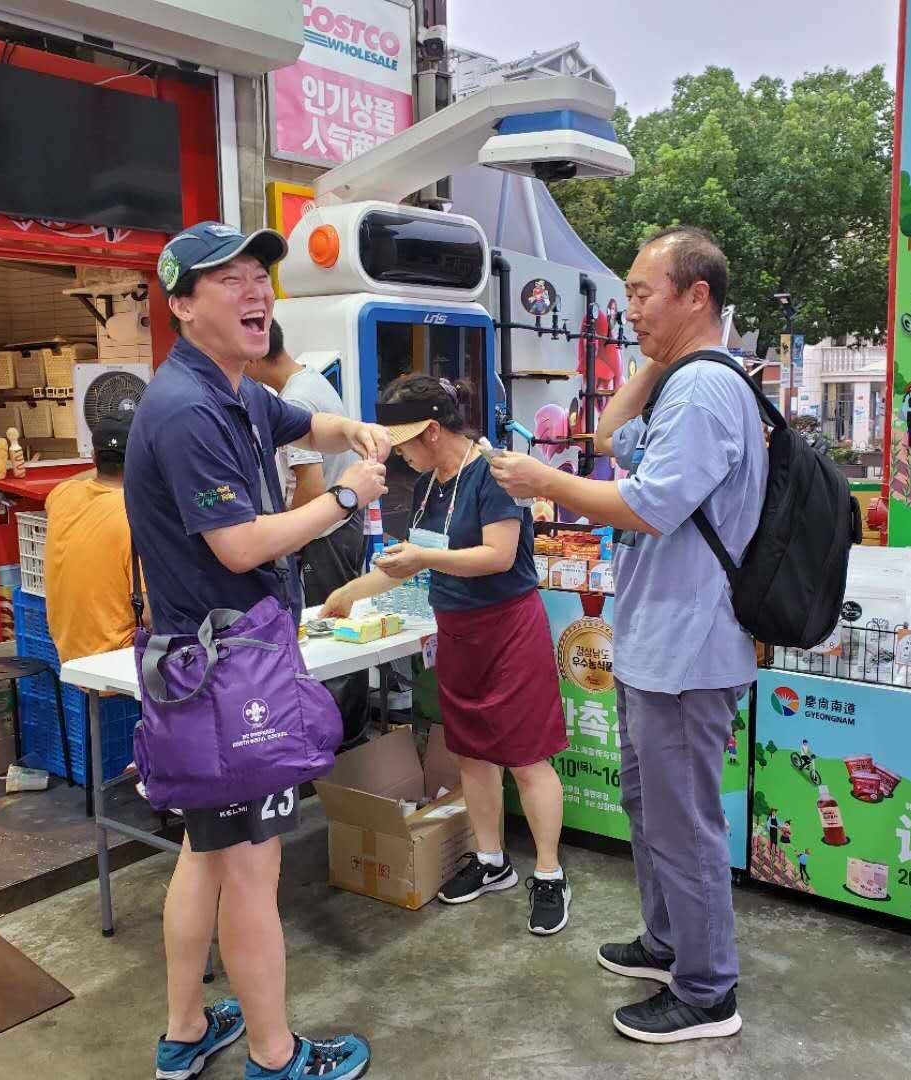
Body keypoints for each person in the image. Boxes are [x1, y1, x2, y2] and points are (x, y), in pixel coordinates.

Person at [126, 221, 390, 1080]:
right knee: (251, 870)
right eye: (228, 279)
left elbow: (301, 419)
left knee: (207, 856)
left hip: (204, 666)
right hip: (227, 676)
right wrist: (348, 498)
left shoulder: (233, 388)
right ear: (179, 304)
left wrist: (351, 429)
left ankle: (184, 1028)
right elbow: (240, 546)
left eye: (258, 276)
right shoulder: (188, 409)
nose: (255, 292)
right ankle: (276, 1059)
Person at [492, 226, 761, 1044]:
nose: (629, 306)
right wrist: (663, 347)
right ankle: (668, 943)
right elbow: (611, 437)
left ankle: (708, 993)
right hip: (659, 644)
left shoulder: (707, 393)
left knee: (684, 825)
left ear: (697, 295)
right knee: (652, 811)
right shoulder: (686, 381)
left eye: (645, 293)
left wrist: (545, 481)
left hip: (688, 648)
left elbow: (644, 504)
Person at [319, 374, 572, 936]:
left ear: (432, 431)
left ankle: (550, 874)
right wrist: (343, 597)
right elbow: (408, 561)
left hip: (509, 631)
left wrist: (425, 564)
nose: (400, 452)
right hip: (457, 634)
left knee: (528, 760)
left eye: (404, 441)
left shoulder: (494, 474)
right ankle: (490, 862)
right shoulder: (433, 485)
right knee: (473, 756)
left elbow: (499, 556)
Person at [247, 323, 369, 747]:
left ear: (257, 357)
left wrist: (285, 538)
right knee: (344, 630)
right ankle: (349, 733)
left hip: (324, 534)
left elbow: (311, 486)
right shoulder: (313, 378)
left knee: (327, 637)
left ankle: (334, 741)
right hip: (345, 526)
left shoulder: (294, 400)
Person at [44, 414, 142, 665]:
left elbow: (73, 481)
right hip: (119, 663)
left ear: (94, 458)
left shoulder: (63, 496)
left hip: (72, 659)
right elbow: (152, 614)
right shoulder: (136, 515)